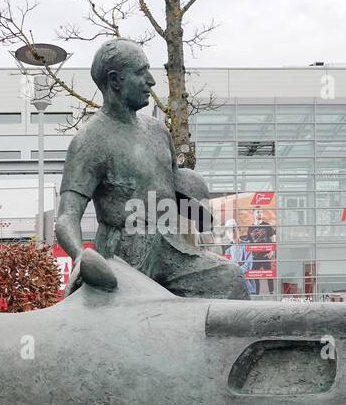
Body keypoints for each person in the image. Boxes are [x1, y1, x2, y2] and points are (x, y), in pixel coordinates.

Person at [54, 40, 249, 300]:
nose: (151, 81)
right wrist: (81, 257)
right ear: (115, 80)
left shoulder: (158, 130)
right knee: (133, 316)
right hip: (124, 253)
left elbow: (172, 182)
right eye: (141, 72)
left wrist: (198, 208)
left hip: (172, 247)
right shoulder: (89, 141)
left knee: (230, 279)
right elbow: (67, 216)